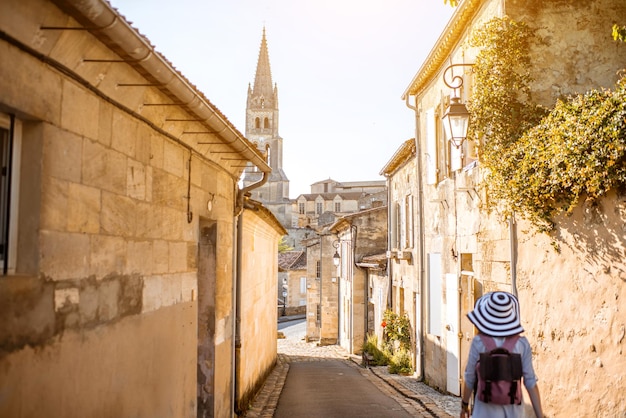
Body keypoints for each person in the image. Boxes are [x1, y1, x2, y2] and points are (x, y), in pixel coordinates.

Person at [459, 291, 543, 418]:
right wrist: (539, 415)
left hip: (484, 413)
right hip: (514, 413)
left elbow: (469, 378)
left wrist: (465, 405)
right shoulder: (522, 344)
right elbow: (530, 382)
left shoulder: (478, 342)